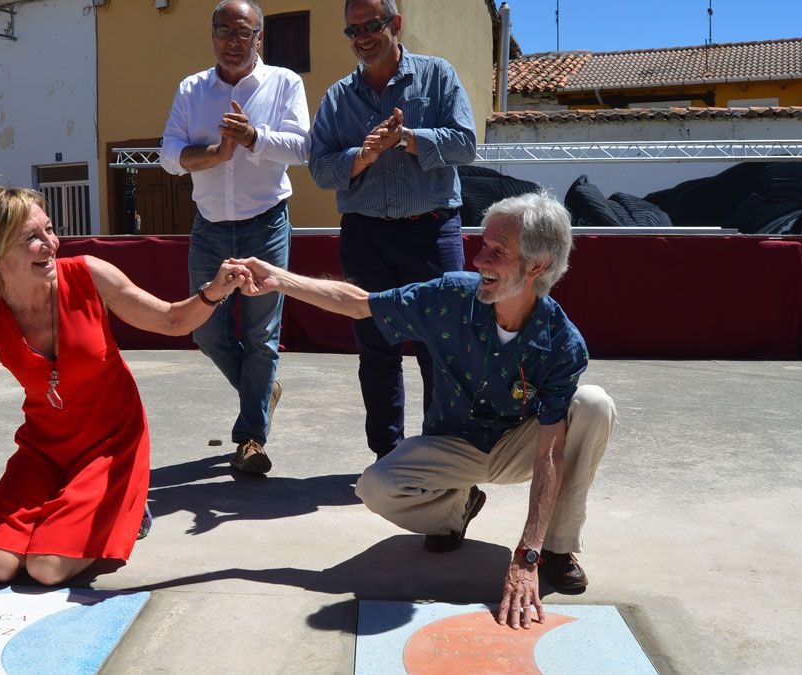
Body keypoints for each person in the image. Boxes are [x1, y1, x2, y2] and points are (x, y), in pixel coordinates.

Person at [234, 192, 616, 630]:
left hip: (519, 447)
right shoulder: (450, 296)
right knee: (375, 487)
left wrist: (527, 554)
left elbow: (549, 451)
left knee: (593, 404)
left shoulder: (562, 342)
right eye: (482, 245)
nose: (478, 260)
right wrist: (279, 279)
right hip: (454, 443)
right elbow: (361, 303)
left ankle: (556, 547)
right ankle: (457, 509)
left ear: (538, 265)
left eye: (497, 251)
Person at [0, 186, 250, 614]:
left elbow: (172, 320)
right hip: (44, 450)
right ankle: (65, 517)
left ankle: (129, 513)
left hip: (112, 444)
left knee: (44, 568)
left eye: (49, 229)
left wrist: (214, 290)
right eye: (32, 237)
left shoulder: (90, 275)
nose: (51, 244)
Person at [308, 0, 478, 460]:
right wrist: (360, 158)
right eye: (352, 30)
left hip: (432, 231)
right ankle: (388, 456)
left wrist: (405, 139)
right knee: (377, 348)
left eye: (371, 26)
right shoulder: (337, 98)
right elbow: (319, 169)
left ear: (396, 24)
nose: (361, 37)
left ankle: (442, 454)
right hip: (366, 236)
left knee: (440, 348)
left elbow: (466, 143)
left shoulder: (438, 75)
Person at [159, 0, 310, 475]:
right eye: (222, 30)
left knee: (262, 334)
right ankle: (261, 390)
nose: (231, 40)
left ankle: (250, 439)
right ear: (212, 35)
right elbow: (168, 155)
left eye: (242, 32)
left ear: (259, 37)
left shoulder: (285, 83)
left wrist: (253, 139)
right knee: (203, 329)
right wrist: (216, 154)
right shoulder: (192, 88)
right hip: (208, 226)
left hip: (266, 223)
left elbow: (304, 148)